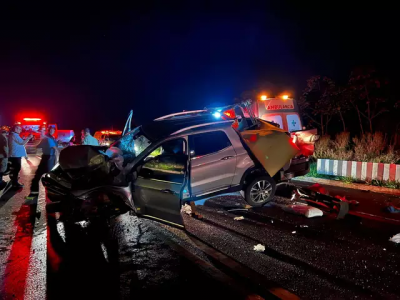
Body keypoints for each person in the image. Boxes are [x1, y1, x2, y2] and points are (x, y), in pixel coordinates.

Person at [30, 125, 58, 195]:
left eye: (53, 130)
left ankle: (35, 190)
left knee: (42, 174)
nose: (52, 131)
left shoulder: (52, 138)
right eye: (51, 130)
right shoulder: (47, 138)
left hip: (50, 157)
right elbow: (38, 146)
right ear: (48, 130)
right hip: (48, 157)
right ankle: (35, 191)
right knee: (46, 174)